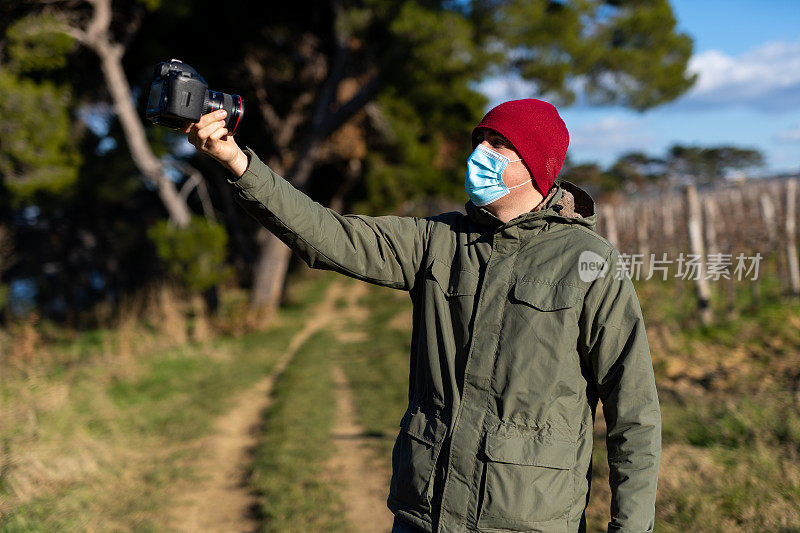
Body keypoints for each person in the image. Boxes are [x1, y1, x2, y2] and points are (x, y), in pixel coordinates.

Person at [183, 98, 661, 533]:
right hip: (424, 514)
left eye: (498, 144)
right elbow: (329, 235)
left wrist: (631, 528)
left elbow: (633, 412)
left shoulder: (588, 261)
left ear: (534, 164)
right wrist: (239, 164)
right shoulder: (438, 240)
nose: (480, 155)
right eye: (479, 142)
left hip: (528, 520)